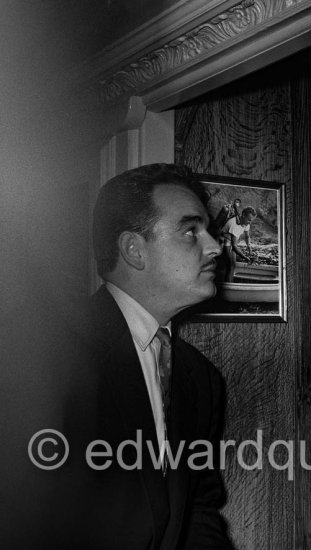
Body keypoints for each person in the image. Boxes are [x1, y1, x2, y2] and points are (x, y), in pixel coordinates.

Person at [46, 164, 234, 549]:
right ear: (134, 250)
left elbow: (199, 509)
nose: (216, 246)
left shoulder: (200, 379)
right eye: (190, 231)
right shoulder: (49, 358)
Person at [221, 207, 256, 282]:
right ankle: (229, 286)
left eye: (251, 220)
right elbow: (234, 246)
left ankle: (230, 283)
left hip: (231, 242)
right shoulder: (234, 224)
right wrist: (245, 257)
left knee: (233, 265)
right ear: (243, 215)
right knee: (230, 266)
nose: (250, 222)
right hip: (224, 242)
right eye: (249, 220)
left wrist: (249, 246)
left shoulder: (246, 223)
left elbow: (247, 236)